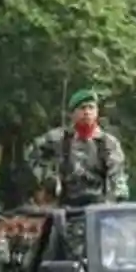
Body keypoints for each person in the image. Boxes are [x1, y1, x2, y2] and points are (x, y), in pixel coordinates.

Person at [26, 89, 129, 255]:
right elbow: (32, 155)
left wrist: (116, 200)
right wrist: (48, 178)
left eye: (91, 107)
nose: (87, 112)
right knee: (48, 252)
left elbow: (117, 174)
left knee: (112, 250)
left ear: (97, 112)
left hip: (97, 209)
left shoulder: (107, 143)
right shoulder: (59, 138)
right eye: (82, 108)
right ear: (72, 113)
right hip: (66, 209)